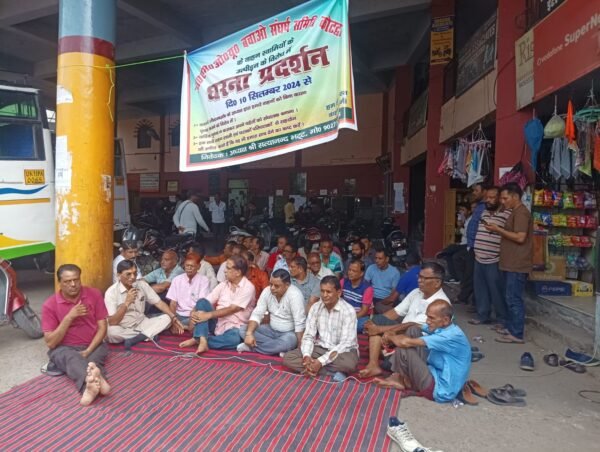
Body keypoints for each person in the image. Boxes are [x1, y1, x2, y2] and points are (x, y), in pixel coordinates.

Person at [359, 262, 449, 378]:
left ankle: (383, 351)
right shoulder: (416, 292)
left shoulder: (441, 305)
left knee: (388, 363)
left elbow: (413, 328)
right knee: (375, 321)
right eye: (419, 276)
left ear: (437, 282)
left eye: (425, 278)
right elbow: (395, 312)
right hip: (400, 335)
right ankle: (374, 364)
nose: (419, 280)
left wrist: (379, 329)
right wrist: (374, 323)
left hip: (417, 345)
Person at [372, 300, 472, 404]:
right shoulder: (445, 327)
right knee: (413, 330)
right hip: (435, 372)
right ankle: (401, 377)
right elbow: (414, 324)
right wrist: (392, 331)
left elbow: (404, 343)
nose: (427, 321)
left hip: (439, 389)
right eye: (427, 317)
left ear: (445, 320)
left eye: (431, 318)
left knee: (403, 349)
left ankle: (399, 378)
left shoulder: (449, 336)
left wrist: (390, 337)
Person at [41, 264, 110, 406]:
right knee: (74, 358)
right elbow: (51, 343)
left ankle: (90, 387)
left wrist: (88, 350)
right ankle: (97, 383)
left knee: (91, 361)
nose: (73, 284)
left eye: (76, 280)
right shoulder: (50, 304)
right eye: (67, 281)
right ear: (60, 283)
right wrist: (69, 317)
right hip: (65, 348)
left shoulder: (94, 294)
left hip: (94, 344)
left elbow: (103, 327)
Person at [283, 276, 359, 378]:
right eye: (322, 291)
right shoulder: (315, 307)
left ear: (339, 293)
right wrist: (306, 356)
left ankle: (314, 368)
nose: (324, 295)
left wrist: (320, 362)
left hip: (342, 351)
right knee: (288, 358)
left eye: (328, 292)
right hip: (321, 347)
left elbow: (345, 343)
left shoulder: (348, 311)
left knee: (349, 365)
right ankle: (327, 371)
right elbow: (309, 335)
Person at [179, 255, 256, 354]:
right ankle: (202, 340)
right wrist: (193, 313)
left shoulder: (248, 287)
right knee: (202, 302)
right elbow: (206, 301)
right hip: (218, 323)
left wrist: (208, 315)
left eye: (228, 268)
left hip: (235, 326)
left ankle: (199, 339)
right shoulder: (223, 285)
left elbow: (233, 308)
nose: (224, 271)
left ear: (238, 272)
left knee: (234, 340)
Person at [486, 183, 532, 344]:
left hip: (517, 263)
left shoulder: (521, 213)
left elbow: (520, 237)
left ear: (515, 197)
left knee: (514, 299)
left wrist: (498, 230)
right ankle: (511, 328)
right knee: (509, 297)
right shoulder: (514, 212)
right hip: (510, 262)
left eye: (505, 198)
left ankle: (517, 333)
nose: (502, 201)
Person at [105, 260, 177, 349]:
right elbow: (113, 322)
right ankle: (148, 334)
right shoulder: (111, 292)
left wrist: (174, 317)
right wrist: (126, 303)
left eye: (135, 273)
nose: (133, 277)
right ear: (119, 275)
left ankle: (138, 338)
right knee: (111, 333)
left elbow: (159, 303)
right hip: (123, 327)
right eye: (128, 274)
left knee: (167, 318)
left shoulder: (141, 285)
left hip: (142, 322)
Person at [468, 187, 511, 328]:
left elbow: (509, 235)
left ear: (499, 199)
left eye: (492, 197)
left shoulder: (507, 214)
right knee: (480, 290)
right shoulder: (484, 212)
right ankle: (483, 315)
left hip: (494, 258)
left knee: (496, 290)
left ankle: (502, 319)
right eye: (487, 197)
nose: (488, 200)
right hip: (479, 257)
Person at [237, 269, 306, 355]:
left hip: (288, 333)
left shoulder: (295, 295)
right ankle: (276, 348)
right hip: (270, 330)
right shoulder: (267, 291)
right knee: (243, 330)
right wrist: (249, 334)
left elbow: (300, 323)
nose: (272, 288)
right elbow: (257, 314)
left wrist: (299, 347)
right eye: (271, 284)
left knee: (289, 341)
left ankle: (253, 348)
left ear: (287, 285)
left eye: (276, 286)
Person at [166, 253, 211, 332]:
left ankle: (183, 326)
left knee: (201, 321)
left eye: (192, 266)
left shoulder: (204, 280)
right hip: (178, 315)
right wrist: (173, 321)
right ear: (184, 265)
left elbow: (200, 304)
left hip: (194, 315)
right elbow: (173, 303)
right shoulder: (177, 280)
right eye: (187, 265)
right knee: (163, 319)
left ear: (198, 266)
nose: (189, 268)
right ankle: (183, 326)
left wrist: (192, 318)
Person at [458, 183, 486, 304]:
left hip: (477, 245)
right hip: (472, 245)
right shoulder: (479, 207)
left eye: (476, 190)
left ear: (484, 192)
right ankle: (471, 300)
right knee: (471, 273)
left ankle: (469, 299)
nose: (474, 193)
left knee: (472, 274)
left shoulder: (485, 207)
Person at [340, 260, 374, 333]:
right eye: (349, 270)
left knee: (360, 325)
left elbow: (364, 311)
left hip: (360, 316)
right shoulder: (343, 281)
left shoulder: (367, 288)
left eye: (354, 271)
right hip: (345, 313)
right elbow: (336, 298)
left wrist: (349, 318)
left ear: (361, 273)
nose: (350, 273)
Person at [364, 249, 401, 313]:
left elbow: (393, 294)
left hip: (385, 299)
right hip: (371, 297)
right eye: (376, 258)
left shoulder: (395, 272)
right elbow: (365, 285)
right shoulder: (371, 268)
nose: (377, 261)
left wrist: (383, 303)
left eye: (380, 258)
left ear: (387, 259)